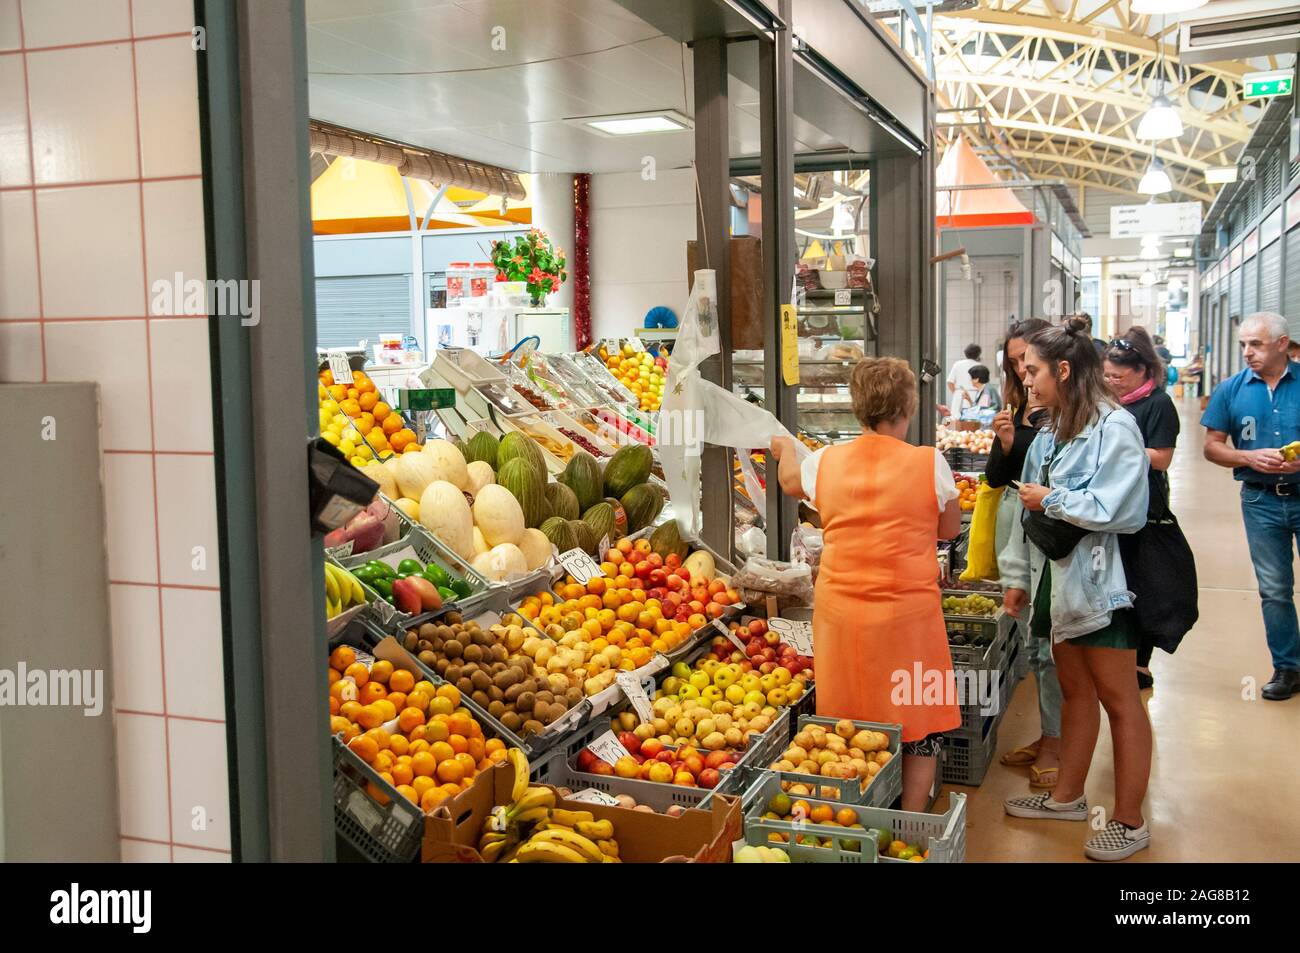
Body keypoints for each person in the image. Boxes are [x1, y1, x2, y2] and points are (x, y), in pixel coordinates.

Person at [771, 357, 962, 810]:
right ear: (909, 406)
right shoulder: (929, 463)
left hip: (843, 616)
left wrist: (785, 449)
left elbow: (789, 483)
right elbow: (950, 529)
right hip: (909, 618)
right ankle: (910, 819)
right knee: (918, 719)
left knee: (847, 720)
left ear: (859, 407)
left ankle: (851, 812)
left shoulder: (824, 462)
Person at [999, 317, 1153, 861]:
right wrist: (1018, 578)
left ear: (1063, 370)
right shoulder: (1051, 429)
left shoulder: (1116, 428)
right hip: (1055, 581)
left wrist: (1056, 501)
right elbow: (1024, 503)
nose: (1026, 379)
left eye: (1032, 369)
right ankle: (1066, 796)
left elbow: (1124, 510)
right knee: (1075, 692)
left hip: (1103, 585)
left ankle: (1130, 820)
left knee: (1119, 698)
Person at [1202, 311, 1300, 700]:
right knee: (1275, 589)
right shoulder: (1231, 390)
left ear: (1282, 344)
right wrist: (1248, 458)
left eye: (1256, 344)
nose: (1247, 352)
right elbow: (1212, 446)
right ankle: (1288, 668)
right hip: (1260, 501)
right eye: (1244, 344)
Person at [987, 318, 1063, 789]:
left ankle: (1058, 742)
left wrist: (1020, 441)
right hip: (1020, 530)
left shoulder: (1073, 415)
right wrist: (1008, 439)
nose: (1022, 373)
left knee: (1054, 649)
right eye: (1015, 364)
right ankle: (1050, 735)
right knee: (1037, 648)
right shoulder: (1019, 403)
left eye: (1028, 363)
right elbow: (998, 475)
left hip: (1054, 537)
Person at [1103, 328, 1184, 690]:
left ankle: (1140, 661)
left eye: (1118, 377)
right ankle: (1117, 654)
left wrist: (1118, 452)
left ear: (1142, 371)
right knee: (1116, 578)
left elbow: (1162, 458)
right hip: (1110, 501)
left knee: (1142, 580)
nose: (1111, 382)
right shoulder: (1109, 401)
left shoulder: (1157, 405)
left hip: (1145, 505)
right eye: (1106, 376)